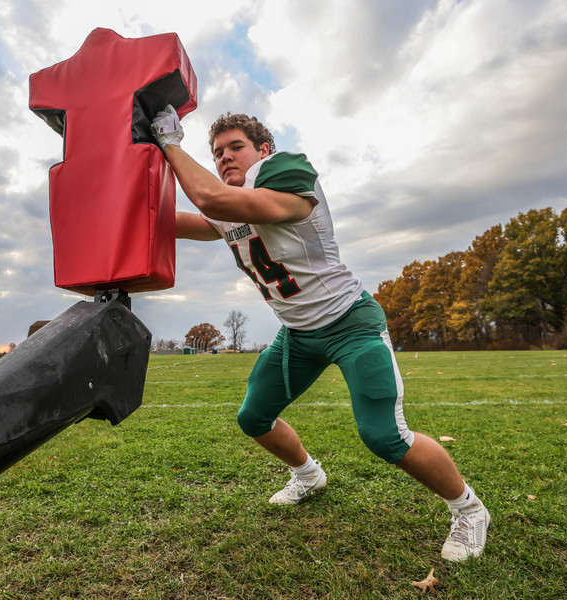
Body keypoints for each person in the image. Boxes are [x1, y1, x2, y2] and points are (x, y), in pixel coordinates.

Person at [150, 105, 490, 562]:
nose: (225, 157)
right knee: (253, 418)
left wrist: (170, 143)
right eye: (216, 153)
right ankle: (308, 475)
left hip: (350, 324)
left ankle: (469, 509)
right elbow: (167, 220)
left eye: (236, 147)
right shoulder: (226, 204)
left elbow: (212, 201)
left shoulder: (289, 171)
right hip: (297, 333)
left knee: (384, 435)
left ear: (264, 150)